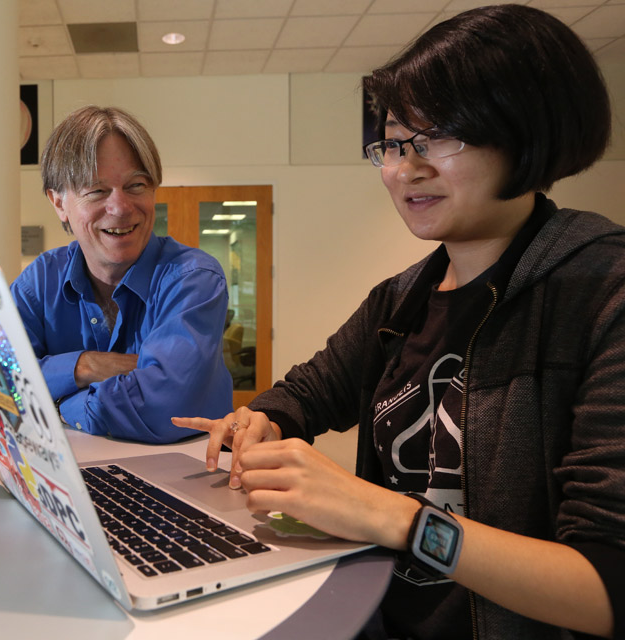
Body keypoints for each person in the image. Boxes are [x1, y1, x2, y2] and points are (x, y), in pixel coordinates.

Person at [173, 5, 623, 639]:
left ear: (527, 133)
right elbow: (306, 392)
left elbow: (607, 589)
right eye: (393, 142)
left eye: (440, 136)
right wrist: (261, 419)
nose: (407, 167)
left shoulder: (603, 290)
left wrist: (393, 517)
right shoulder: (400, 300)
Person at [0, 105, 233, 444]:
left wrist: (56, 404)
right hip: (74, 482)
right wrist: (85, 366)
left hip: (185, 479)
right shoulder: (39, 284)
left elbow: (165, 408)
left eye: (137, 185)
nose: (121, 207)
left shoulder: (193, 279)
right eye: (97, 191)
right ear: (58, 203)